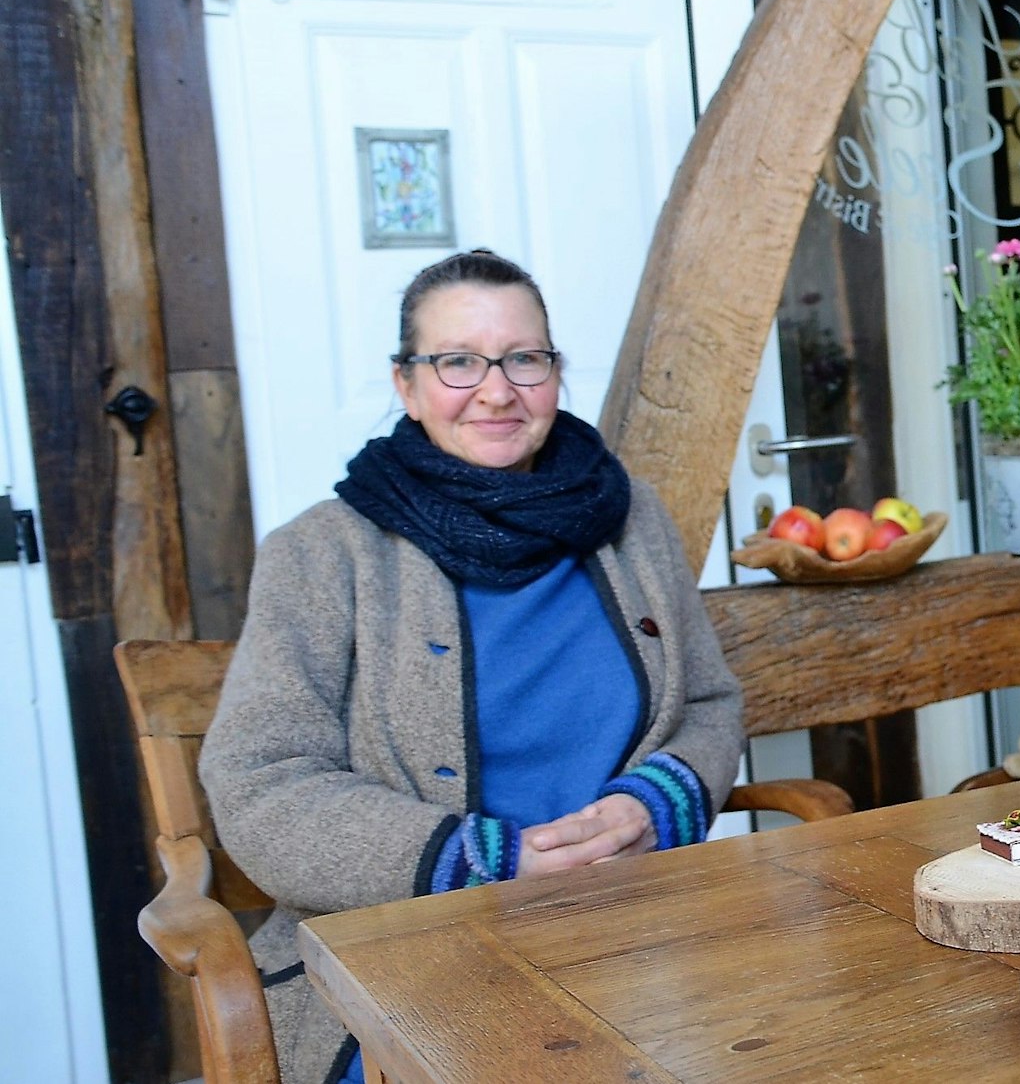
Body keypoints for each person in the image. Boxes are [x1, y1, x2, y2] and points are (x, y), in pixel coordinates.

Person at [200, 249, 746, 1083]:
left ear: (555, 372)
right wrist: (486, 860)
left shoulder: (628, 521)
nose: (496, 391)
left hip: (642, 934)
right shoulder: (321, 554)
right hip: (415, 965)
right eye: (458, 361)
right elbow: (260, 781)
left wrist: (651, 808)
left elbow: (707, 700)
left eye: (524, 359)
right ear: (406, 383)